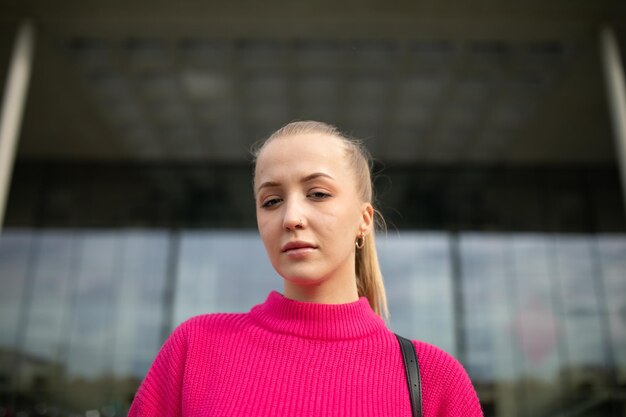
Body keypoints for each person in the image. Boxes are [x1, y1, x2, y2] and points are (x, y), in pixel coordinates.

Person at [128, 121, 483, 417]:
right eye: (271, 201)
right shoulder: (195, 350)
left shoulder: (436, 379)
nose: (291, 218)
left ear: (364, 220)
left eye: (317, 194)